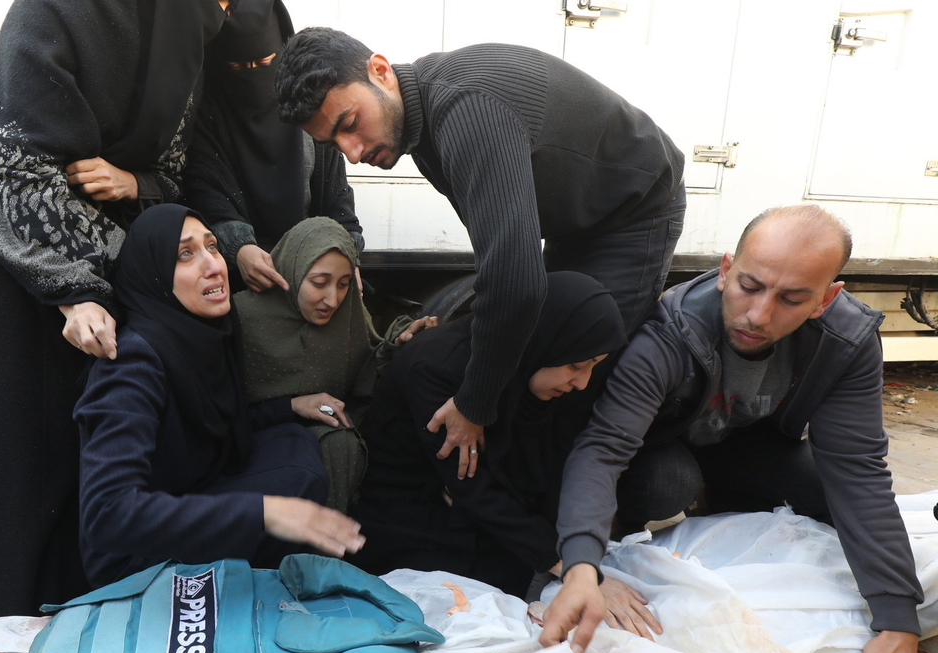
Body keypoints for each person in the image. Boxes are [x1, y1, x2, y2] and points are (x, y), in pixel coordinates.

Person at [542, 205, 938, 653]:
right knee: (667, 484)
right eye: (749, 285)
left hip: (750, 447)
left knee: (825, 490)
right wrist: (582, 564)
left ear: (827, 298)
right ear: (726, 268)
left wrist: (897, 618)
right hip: (664, 451)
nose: (758, 313)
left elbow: (860, 472)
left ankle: (725, 502)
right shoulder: (669, 333)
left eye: (792, 299)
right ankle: (664, 513)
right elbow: (603, 448)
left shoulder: (847, 340)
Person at [0, 0, 234, 620]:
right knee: (16, 457)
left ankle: (88, 623)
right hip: (13, 259)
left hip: (109, 265)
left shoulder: (182, 35)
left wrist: (135, 183)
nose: (226, 10)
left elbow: (168, 173)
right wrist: (73, 285)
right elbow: (13, 164)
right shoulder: (56, 10)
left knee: (94, 454)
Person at [274, 28, 686, 482]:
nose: (352, 153)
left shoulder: (464, 110)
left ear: (380, 71)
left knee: (575, 374)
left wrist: (474, 404)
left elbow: (515, 283)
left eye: (350, 123)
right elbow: (502, 260)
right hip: (576, 218)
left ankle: (569, 532)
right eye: (334, 144)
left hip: (635, 209)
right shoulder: (420, 120)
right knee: (535, 359)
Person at [75, 205, 365, 587]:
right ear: (156, 274)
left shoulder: (205, 335)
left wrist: (289, 406)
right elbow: (107, 513)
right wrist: (265, 513)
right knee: (293, 482)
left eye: (212, 247)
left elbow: (213, 429)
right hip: (134, 559)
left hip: (191, 490)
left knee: (293, 441)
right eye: (186, 254)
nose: (213, 265)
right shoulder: (131, 362)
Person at [349, 273, 638, 603]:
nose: (582, 382)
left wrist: (578, 562)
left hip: (480, 508)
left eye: (593, 367)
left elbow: (551, 464)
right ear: (540, 338)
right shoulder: (437, 367)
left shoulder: (538, 372)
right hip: (410, 513)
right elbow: (475, 488)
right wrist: (575, 571)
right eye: (575, 366)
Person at [234, 216, 436, 512]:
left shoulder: (347, 315)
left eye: (344, 285)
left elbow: (366, 373)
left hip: (326, 437)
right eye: (319, 283)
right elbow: (221, 414)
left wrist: (399, 344)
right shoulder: (242, 319)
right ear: (291, 269)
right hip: (260, 438)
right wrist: (291, 405)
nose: (333, 299)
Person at [185, 0, 363, 293]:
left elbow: (338, 203)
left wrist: (345, 255)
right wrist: (239, 249)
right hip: (239, 286)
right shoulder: (207, 117)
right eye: (238, 66)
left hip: (316, 274)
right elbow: (207, 191)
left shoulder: (310, 113)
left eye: (266, 62)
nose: (253, 73)